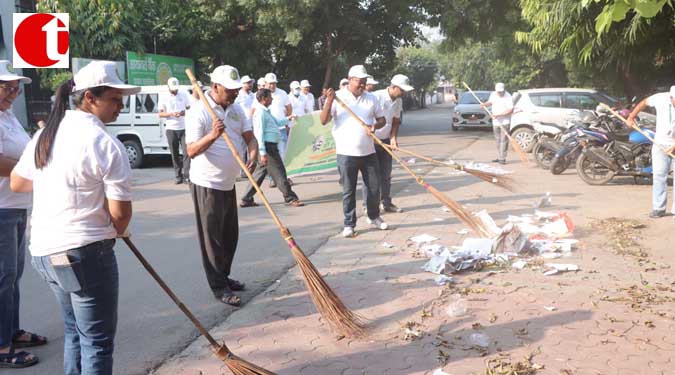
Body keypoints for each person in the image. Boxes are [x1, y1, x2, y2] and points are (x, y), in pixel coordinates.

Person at [10, 60, 137, 374]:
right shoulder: (106, 144)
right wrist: (117, 228)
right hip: (84, 253)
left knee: (76, 332)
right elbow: (121, 215)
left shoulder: (46, 135)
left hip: (45, 251)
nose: (120, 107)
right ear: (90, 98)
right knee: (96, 341)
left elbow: (18, 181)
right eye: (114, 100)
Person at [186, 65, 258, 306]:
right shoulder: (199, 112)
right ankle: (219, 286)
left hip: (229, 183)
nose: (235, 93)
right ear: (215, 87)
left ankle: (224, 276)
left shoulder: (237, 110)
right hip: (207, 183)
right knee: (212, 239)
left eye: (237, 89)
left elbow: (250, 137)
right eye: (230, 90)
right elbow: (191, 150)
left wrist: (253, 153)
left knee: (230, 236)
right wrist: (212, 136)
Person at [0, 61, 46, 369]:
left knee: (13, 277)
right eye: (6, 88)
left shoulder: (8, 117)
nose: (13, 93)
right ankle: (2, 346)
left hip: (16, 205)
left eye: (16, 88)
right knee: (3, 278)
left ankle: (11, 330)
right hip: (1, 208)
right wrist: (37, 173)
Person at [320, 65, 387, 238]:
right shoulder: (337, 96)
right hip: (346, 153)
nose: (363, 85)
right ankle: (349, 224)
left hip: (368, 151)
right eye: (359, 81)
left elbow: (382, 120)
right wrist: (329, 100)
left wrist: (374, 126)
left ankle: (373, 216)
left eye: (365, 82)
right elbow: (323, 120)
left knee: (373, 187)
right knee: (348, 190)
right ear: (350, 80)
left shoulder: (371, 98)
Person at [239, 89, 304, 208]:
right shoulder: (260, 113)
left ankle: (246, 198)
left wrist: (289, 118)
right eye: (270, 97)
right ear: (264, 99)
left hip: (269, 147)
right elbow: (259, 134)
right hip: (267, 148)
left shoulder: (266, 112)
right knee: (279, 173)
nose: (272, 99)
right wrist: (263, 153)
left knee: (259, 174)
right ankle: (290, 198)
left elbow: (277, 122)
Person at [368, 74, 414, 213]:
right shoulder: (376, 97)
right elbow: (367, 117)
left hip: (386, 140)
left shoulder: (398, 101)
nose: (404, 93)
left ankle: (386, 203)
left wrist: (393, 138)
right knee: (372, 177)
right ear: (393, 87)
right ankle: (370, 206)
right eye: (402, 90)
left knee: (386, 174)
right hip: (372, 141)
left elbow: (395, 121)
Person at [628, 86, 675, 218]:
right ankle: (658, 208)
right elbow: (643, 103)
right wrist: (631, 117)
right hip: (659, 144)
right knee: (659, 176)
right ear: (671, 97)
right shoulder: (660, 98)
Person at [158, 77, 191, 184]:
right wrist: (172, 114)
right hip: (171, 128)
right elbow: (160, 113)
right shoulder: (163, 96)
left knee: (187, 152)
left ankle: (187, 175)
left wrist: (183, 112)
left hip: (184, 127)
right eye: (173, 89)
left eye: (176, 88)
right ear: (168, 87)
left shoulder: (184, 94)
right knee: (174, 153)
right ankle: (178, 175)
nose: (175, 91)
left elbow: (190, 108)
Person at [264, 73, 293, 187]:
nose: (272, 85)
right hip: (268, 131)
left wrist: (288, 122)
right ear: (265, 84)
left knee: (283, 154)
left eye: (274, 83)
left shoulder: (282, 93)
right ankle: (272, 178)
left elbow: (289, 108)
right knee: (270, 156)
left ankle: (285, 177)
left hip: (281, 129)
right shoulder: (260, 95)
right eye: (270, 83)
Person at [481, 82, 513, 165]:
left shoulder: (508, 96)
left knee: (504, 140)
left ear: (504, 90)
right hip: (495, 122)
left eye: (501, 92)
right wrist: (485, 104)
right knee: (498, 140)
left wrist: (498, 115)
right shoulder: (493, 94)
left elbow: (510, 110)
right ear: (496, 90)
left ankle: (503, 158)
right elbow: (490, 102)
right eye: (498, 92)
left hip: (505, 122)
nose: (500, 93)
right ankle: (500, 156)